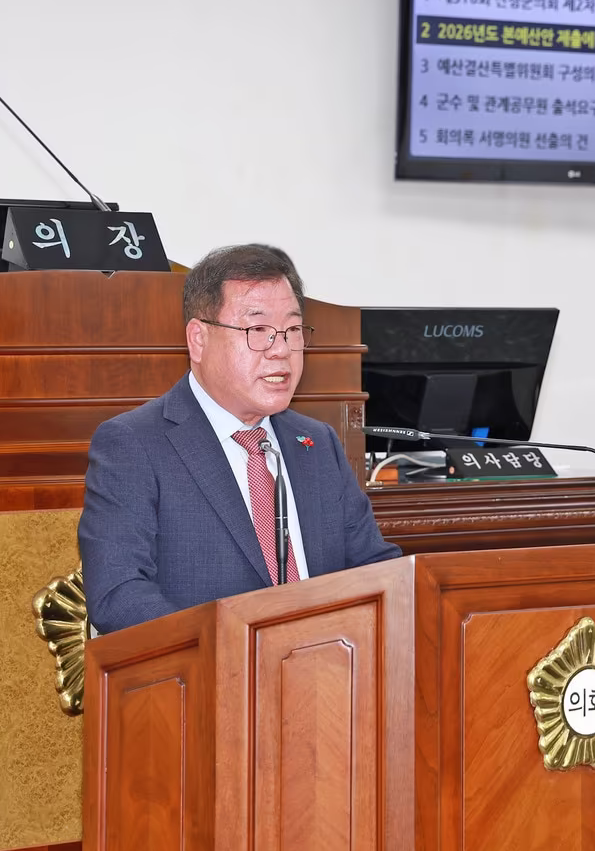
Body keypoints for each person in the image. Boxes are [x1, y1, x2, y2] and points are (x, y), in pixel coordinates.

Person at [79, 244, 401, 633]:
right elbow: (119, 595)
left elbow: (375, 567)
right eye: (258, 330)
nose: (281, 350)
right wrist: (234, 651)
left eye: (293, 330)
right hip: (207, 683)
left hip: (326, 676)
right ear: (198, 339)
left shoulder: (316, 442)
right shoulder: (134, 445)